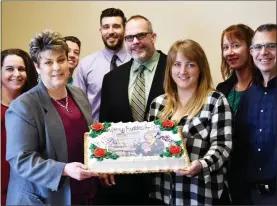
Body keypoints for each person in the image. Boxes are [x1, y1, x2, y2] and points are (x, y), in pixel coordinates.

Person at [5, 30, 99, 205]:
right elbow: (21, 159)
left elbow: (88, 139)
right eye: (48, 62)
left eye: (61, 60)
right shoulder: (23, 106)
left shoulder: (78, 95)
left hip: (82, 191)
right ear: (37, 67)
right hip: (45, 197)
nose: (56, 67)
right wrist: (63, 169)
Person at [147, 39, 232, 205]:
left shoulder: (215, 101)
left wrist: (201, 164)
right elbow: (148, 146)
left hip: (201, 195)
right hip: (163, 195)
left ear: (201, 69)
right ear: (170, 69)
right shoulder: (158, 105)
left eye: (190, 65)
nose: (183, 71)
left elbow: (222, 146)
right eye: (177, 64)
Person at [98, 15, 167, 205]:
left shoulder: (175, 70)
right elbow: (105, 124)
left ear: (153, 37)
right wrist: (103, 164)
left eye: (141, 36)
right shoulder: (112, 78)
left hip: (166, 175)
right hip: (124, 177)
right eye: (129, 38)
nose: (135, 42)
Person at [232, 23, 277, 205]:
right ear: (251, 52)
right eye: (258, 47)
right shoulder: (248, 96)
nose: (263, 52)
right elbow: (240, 147)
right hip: (249, 196)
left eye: (271, 46)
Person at [73, 8, 131, 122]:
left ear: (125, 29)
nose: (110, 31)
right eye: (106, 27)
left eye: (116, 26)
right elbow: (77, 106)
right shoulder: (86, 65)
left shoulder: (137, 62)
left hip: (132, 134)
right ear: (100, 30)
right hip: (96, 134)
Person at [1, 48, 38, 205]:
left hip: (27, 187)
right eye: (10, 69)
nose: (16, 74)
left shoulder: (35, 107)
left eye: (21, 69)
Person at [217, 24, 256, 114]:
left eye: (236, 46)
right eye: (225, 47)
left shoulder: (264, 85)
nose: (230, 53)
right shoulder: (222, 89)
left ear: (250, 48)